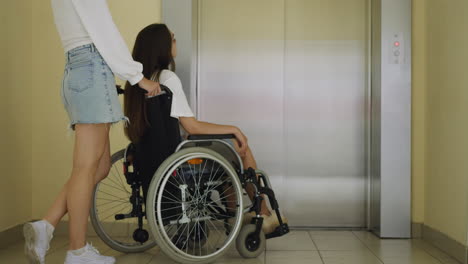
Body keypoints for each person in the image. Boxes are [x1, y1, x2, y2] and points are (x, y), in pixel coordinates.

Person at [23, 1, 160, 264]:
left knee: (100, 166)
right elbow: (104, 32)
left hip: (77, 69)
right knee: (85, 167)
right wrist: (138, 77)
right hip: (92, 69)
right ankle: (77, 251)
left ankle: (47, 225)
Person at [124, 23, 287, 235]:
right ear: (162, 46)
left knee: (224, 155)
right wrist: (235, 129)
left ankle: (237, 218)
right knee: (235, 148)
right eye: (172, 39)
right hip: (176, 162)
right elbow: (192, 126)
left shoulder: (138, 83)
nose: (176, 42)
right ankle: (264, 213)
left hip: (153, 160)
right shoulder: (167, 78)